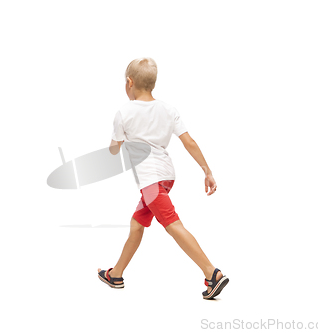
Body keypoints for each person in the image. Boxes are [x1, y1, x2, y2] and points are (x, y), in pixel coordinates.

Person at [97, 57, 229, 299]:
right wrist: (206, 171)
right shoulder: (169, 109)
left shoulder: (123, 113)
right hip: (166, 177)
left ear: (129, 82)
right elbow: (189, 141)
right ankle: (116, 274)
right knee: (137, 225)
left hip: (150, 181)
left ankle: (212, 273)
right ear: (153, 83)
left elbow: (114, 149)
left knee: (173, 225)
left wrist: (118, 143)